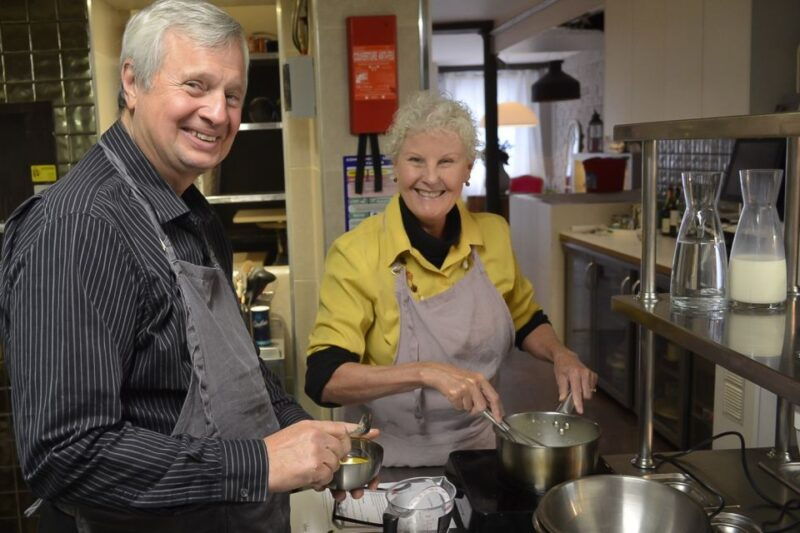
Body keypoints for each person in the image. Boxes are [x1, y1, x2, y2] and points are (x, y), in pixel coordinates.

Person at [0, 1, 375, 532]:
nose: (219, 114)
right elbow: (66, 452)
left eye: (232, 94)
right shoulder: (79, 226)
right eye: (195, 86)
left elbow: (234, 374)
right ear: (132, 83)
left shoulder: (194, 215)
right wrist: (262, 462)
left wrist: (308, 433)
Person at [305, 92, 598, 467]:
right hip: (387, 461)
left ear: (467, 169)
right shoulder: (355, 253)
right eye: (415, 161)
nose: (430, 178)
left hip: (479, 450)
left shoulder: (494, 234)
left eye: (446, 162)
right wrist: (426, 372)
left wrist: (562, 354)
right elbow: (323, 378)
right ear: (395, 165)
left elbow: (525, 319)